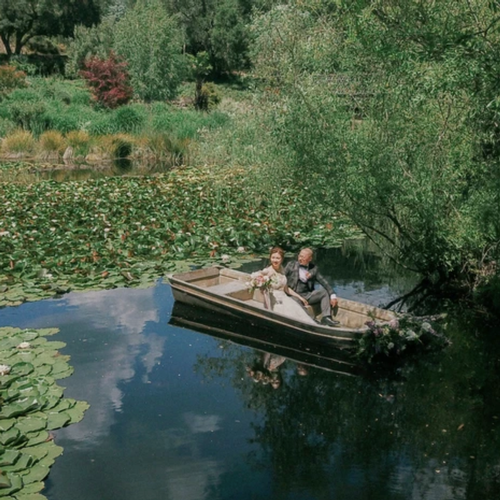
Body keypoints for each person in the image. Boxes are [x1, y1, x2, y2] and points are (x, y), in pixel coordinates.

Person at [254, 246, 317, 325]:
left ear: (282, 259)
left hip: (285, 298)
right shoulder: (267, 272)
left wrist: (300, 297)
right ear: (270, 258)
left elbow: (286, 289)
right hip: (275, 301)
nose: (275, 260)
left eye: (278, 258)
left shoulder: (282, 269)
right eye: (273, 257)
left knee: (299, 313)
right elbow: (260, 284)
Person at [284, 247, 340, 327]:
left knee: (324, 292)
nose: (300, 258)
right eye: (299, 256)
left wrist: (333, 296)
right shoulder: (291, 265)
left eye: (303, 257)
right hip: (293, 294)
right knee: (295, 301)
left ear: (310, 258)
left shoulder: (313, 269)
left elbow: (325, 283)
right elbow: (282, 277)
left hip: (307, 295)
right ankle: (311, 319)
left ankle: (326, 317)